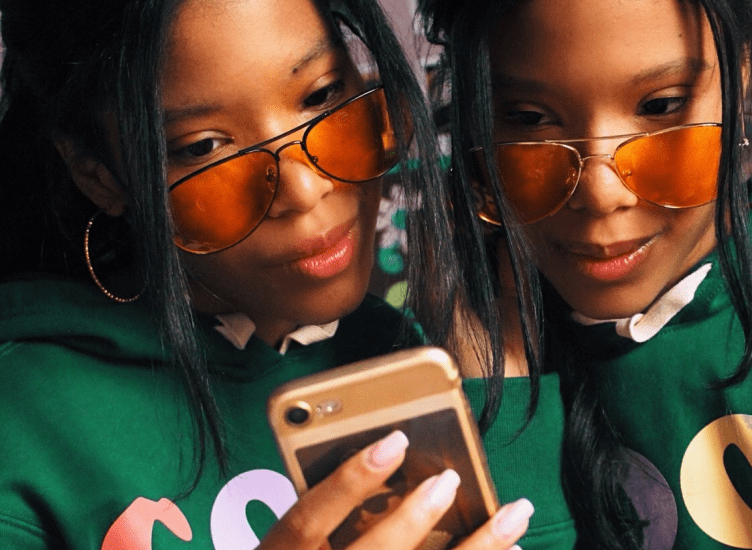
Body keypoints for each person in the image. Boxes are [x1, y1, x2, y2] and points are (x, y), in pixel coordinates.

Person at [0, 0, 535, 548]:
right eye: (204, 147)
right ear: (99, 177)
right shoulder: (22, 423)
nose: (305, 190)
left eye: (321, 95)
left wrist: (504, 398)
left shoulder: (398, 361)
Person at [419, 0, 752, 549]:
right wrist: (497, 390)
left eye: (661, 105)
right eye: (529, 119)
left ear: (738, 82)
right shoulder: (448, 373)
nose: (602, 194)